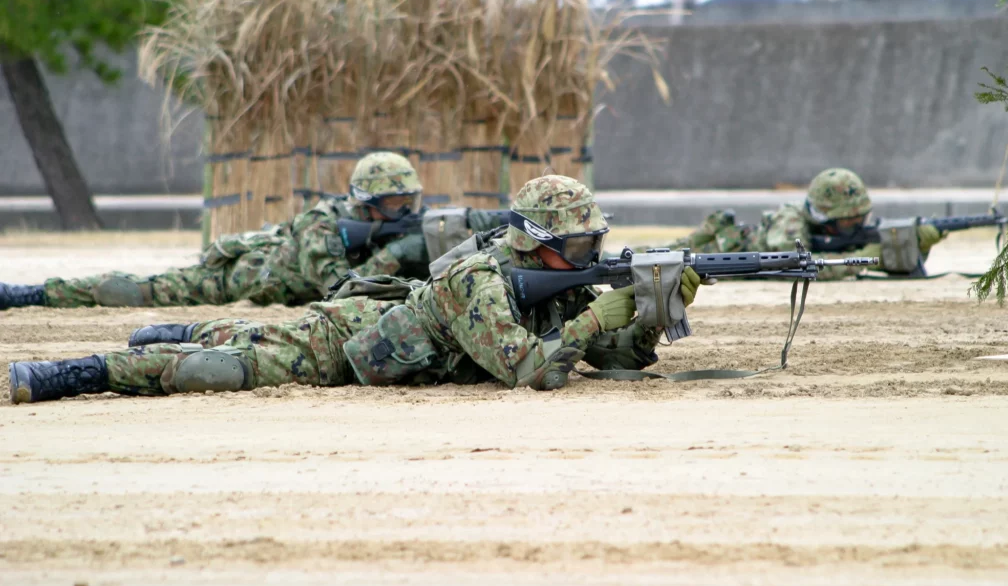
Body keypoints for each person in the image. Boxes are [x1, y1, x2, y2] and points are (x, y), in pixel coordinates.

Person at [8, 175, 704, 404]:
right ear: (536, 241)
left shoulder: (554, 282)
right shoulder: (478, 278)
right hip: (338, 345)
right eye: (581, 245)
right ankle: (77, 372)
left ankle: (178, 331)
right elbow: (526, 369)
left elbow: (616, 361)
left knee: (227, 341)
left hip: (379, 337)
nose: (593, 255)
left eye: (594, 245)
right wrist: (593, 319)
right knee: (225, 368)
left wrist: (654, 309)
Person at [0, 152, 505, 312]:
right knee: (143, 289)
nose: (405, 210)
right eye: (395, 203)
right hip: (239, 278)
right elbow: (338, 293)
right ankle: (32, 294)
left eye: (409, 202)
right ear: (367, 203)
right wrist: (400, 256)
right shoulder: (322, 227)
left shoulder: (388, 227)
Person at [670, 167, 944, 280]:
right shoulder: (792, 222)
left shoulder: (830, 228)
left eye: (861, 220)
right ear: (825, 217)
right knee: (650, 258)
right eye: (850, 221)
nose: (858, 226)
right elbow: (794, 266)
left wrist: (910, 241)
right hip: (712, 249)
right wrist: (862, 259)